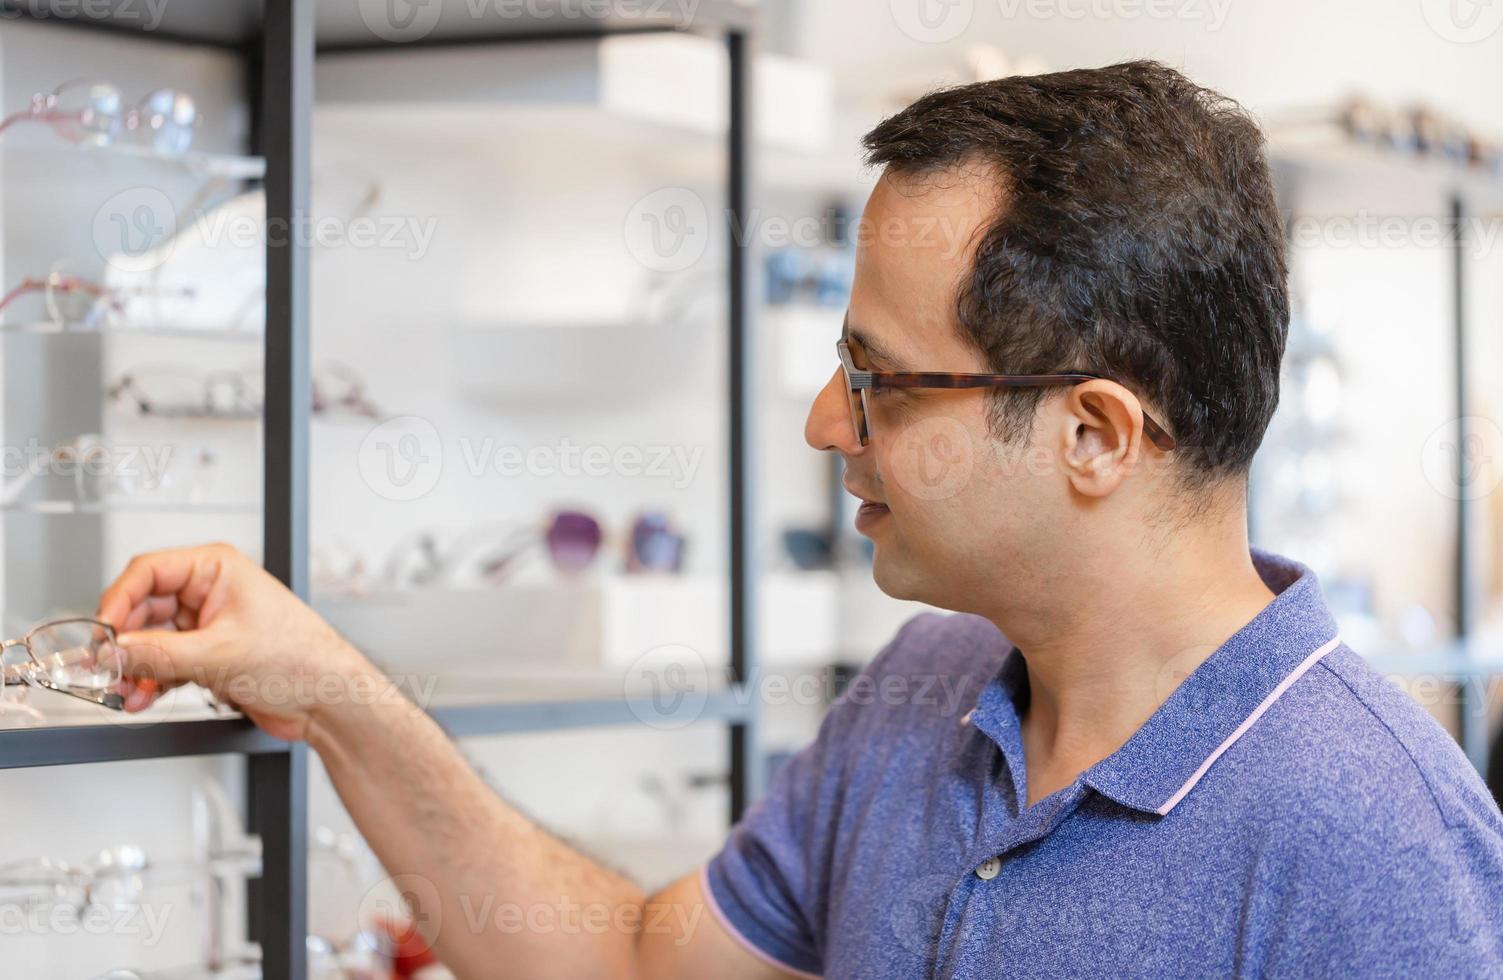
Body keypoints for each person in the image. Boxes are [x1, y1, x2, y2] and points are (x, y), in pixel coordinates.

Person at [96, 61, 1503, 978]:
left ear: (1093, 435)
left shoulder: (1374, 851)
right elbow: (631, 966)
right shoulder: (926, 691)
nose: (831, 426)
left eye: (879, 381)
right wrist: (331, 689)